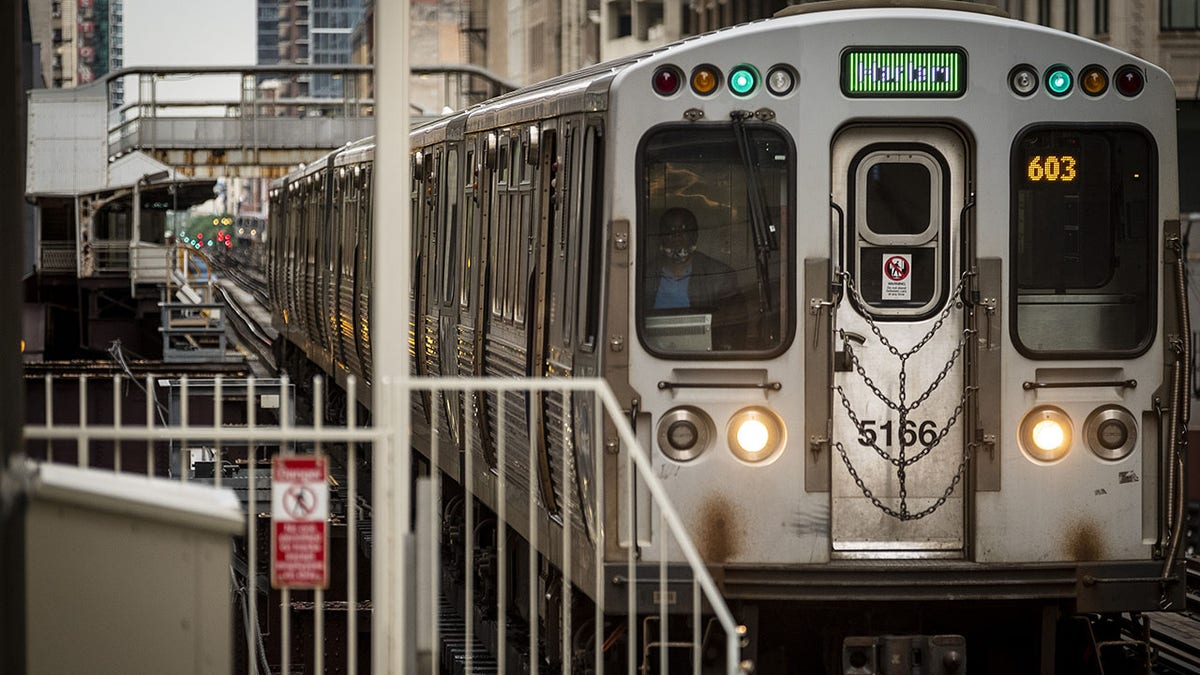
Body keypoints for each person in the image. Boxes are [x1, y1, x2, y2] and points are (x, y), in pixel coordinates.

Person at [644, 207, 745, 348]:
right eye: (670, 231)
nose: (677, 237)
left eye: (684, 230)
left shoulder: (719, 275)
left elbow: (732, 328)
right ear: (660, 238)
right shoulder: (644, 276)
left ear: (695, 236)